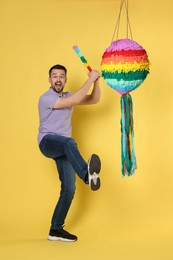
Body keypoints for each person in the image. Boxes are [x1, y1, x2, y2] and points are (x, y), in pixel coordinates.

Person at [38, 64, 101, 242]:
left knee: (69, 189)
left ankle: (55, 229)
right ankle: (87, 175)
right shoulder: (46, 98)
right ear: (49, 80)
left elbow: (94, 99)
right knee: (70, 142)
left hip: (64, 148)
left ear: (65, 79)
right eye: (55, 76)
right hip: (48, 142)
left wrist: (96, 82)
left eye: (62, 76)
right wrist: (89, 78)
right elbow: (74, 101)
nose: (58, 79)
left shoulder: (68, 95)